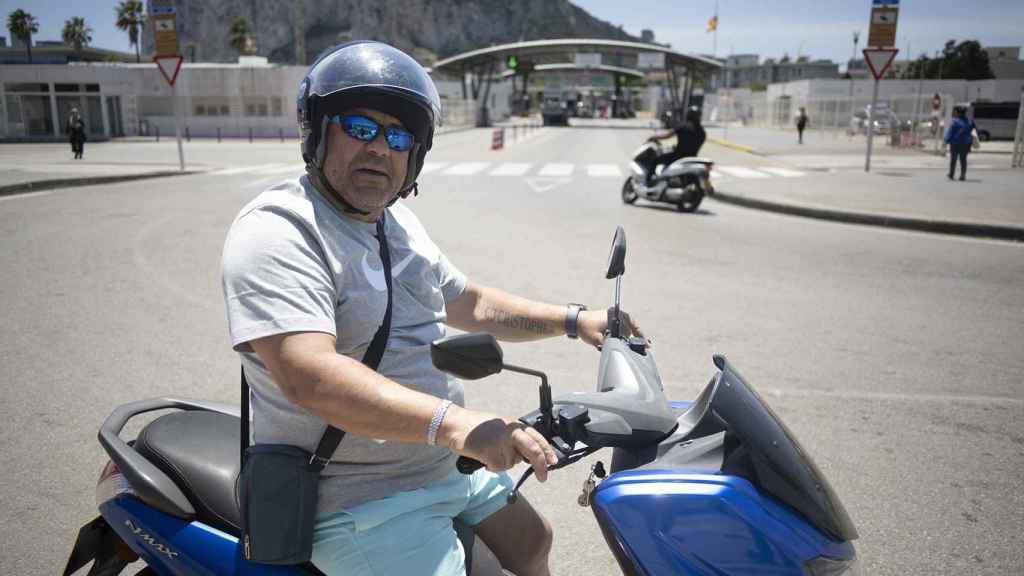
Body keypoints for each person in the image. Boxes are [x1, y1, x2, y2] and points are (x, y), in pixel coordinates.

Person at [220, 41, 643, 576]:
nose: (380, 148)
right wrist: (459, 425)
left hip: (439, 467)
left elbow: (473, 303)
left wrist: (574, 320)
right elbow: (311, 377)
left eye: (399, 136)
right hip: (357, 500)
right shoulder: (280, 231)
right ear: (317, 130)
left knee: (535, 539)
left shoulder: (395, 226)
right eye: (359, 127)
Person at [646, 105, 706, 183]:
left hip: (678, 157)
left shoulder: (683, 126)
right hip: (692, 158)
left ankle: (649, 182)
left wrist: (654, 137)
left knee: (656, 160)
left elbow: (666, 136)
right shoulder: (702, 132)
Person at [944, 105, 976, 181]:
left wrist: (946, 141)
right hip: (965, 143)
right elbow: (974, 131)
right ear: (965, 113)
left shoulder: (955, 121)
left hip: (955, 143)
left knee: (953, 159)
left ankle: (951, 174)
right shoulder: (970, 121)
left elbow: (950, 132)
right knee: (963, 159)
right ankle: (963, 175)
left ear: (957, 113)